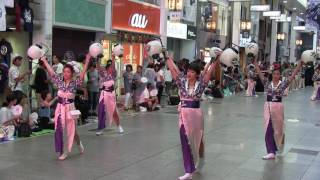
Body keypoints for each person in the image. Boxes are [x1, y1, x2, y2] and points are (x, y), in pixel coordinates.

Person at [166, 53, 219, 180]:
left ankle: (201, 160)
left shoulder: (201, 84)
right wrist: (167, 57)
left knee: (198, 140)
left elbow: (209, 72)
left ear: (196, 74)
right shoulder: (181, 82)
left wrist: (216, 60)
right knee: (185, 141)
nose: (188, 73)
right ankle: (188, 171)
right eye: (188, 71)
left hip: (196, 116)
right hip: (184, 115)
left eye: (192, 71)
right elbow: (174, 70)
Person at [40, 54, 90, 160]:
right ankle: (63, 151)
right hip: (60, 108)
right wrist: (44, 61)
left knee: (72, 131)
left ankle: (78, 144)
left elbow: (82, 74)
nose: (66, 74)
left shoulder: (74, 83)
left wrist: (88, 60)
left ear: (72, 74)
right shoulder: (59, 82)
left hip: (69, 108)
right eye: (64, 71)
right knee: (59, 129)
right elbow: (52, 73)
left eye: (68, 72)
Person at [254, 58, 303, 160]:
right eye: (274, 74)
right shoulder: (267, 84)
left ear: (280, 75)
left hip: (278, 109)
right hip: (268, 108)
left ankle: (276, 148)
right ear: (272, 74)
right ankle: (271, 151)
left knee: (278, 131)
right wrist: (255, 63)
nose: (276, 75)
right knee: (268, 129)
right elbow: (259, 74)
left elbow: (292, 76)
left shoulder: (282, 84)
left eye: (278, 74)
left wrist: (299, 65)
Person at [96, 56, 124, 136]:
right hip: (104, 94)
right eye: (109, 67)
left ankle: (118, 126)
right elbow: (98, 67)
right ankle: (100, 128)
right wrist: (97, 59)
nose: (111, 69)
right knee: (101, 111)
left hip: (111, 95)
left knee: (113, 111)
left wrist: (113, 57)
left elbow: (114, 66)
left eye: (112, 67)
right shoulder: (103, 74)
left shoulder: (113, 74)